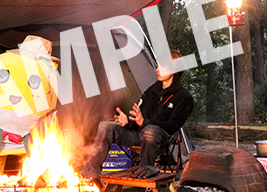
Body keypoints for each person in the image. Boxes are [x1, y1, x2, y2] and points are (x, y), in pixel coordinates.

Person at [82, 50, 194, 180]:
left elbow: (172, 126)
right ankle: (90, 173)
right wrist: (127, 122)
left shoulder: (184, 97)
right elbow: (138, 119)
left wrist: (145, 123)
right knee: (106, 126)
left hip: (161, 139)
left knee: (150, 131)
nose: (157, 69)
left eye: (162, 66)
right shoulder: (152, 91)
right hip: (138, 135)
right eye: (158, 66)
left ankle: (145, 169)